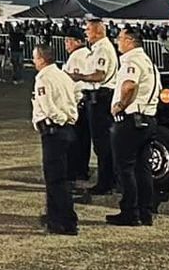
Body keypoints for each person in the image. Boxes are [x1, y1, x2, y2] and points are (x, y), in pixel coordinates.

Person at [109, 25, 163, 227]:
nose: (117, 42)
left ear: (130, 41)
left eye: (120, 38)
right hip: (148, 119)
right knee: (143, 169)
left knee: (126, 168)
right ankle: (145, 212)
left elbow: (129, 85)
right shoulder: (149, 62)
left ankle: (129, 212)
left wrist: (120, 105)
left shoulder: (132, 61)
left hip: (132, 120)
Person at [31, 42, 82, 235]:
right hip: (67, 130)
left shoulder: (43, 78)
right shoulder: (63, 75)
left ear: (42, 59)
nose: (34, 61)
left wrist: (60, 118)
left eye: (36, 58)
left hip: (54, 131)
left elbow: (47, 106)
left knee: (55, 179)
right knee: (61, 178)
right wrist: (70, 117)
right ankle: (55, 217)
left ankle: (65, 221)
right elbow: (76, 95)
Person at [71, 17, 119, 195]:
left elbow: (99, 75)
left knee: (102, 143)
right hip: (96, 97)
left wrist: (80, 76)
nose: (86, 33)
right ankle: (108, 179)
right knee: (101, 142)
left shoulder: (103, 49)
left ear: (98, 31)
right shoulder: (98, 48)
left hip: (101, 97)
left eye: (88, 30)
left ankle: (105, 182)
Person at [60, 27, 95, 191]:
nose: (66, 44)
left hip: (77, 102)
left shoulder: (77, 57)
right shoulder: (87, 54)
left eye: (69, 41)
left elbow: (70, 83)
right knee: (84, 140)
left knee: (74, 141)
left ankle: (75, 172)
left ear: (79, 42)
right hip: (86, 101)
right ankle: (82, 170)